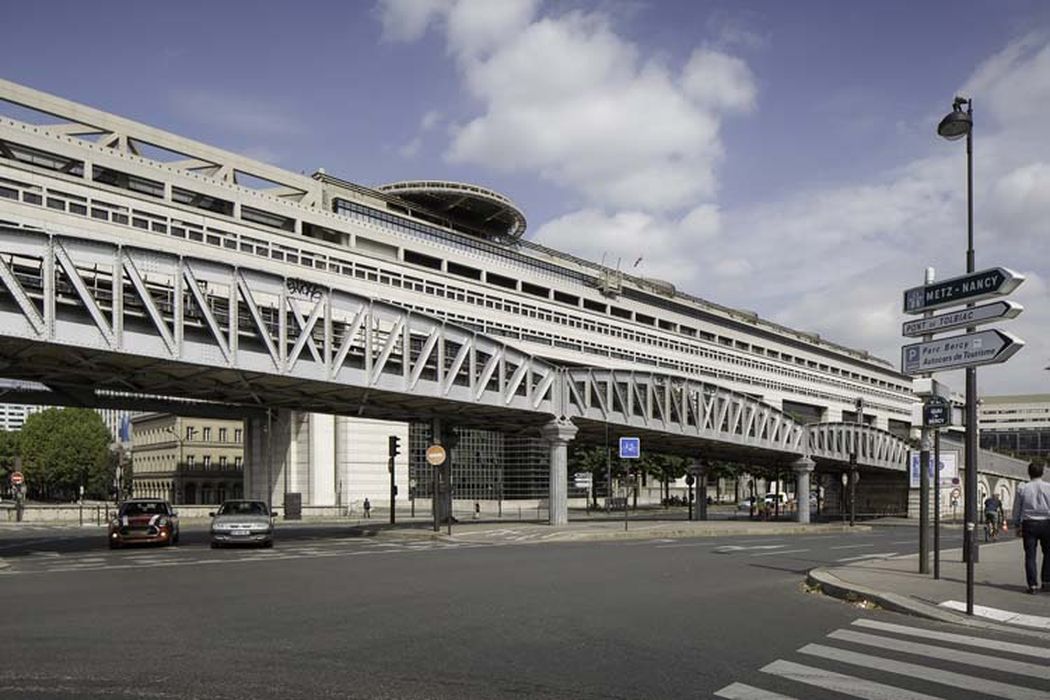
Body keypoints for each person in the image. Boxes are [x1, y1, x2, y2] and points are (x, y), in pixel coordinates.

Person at [1010, 462, 1050, 594]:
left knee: (1030, 555)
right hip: (1046, 522)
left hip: (1028, 523)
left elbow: (1017, 507)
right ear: (1042, 473)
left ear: (1029, 473)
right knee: (1048, 553)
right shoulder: (1048, 487)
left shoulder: (1023, 488)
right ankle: (1046, 581)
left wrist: (1016, 523)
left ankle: (1032, 585)